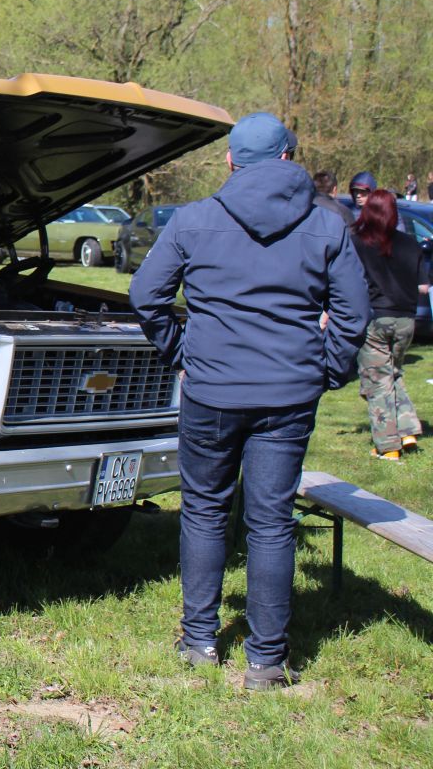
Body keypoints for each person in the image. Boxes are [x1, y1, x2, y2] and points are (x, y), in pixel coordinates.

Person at [130, 112, 369, 692]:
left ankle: (199, 641)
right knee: (270, 523)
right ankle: (265, 662)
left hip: (211, 391)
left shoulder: (194, 220)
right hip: (287, 395)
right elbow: (356, 315)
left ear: (231, 161)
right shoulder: (327, 224)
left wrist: (181, 352)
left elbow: (145, 295)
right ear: (288, 158)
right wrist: (326, 369)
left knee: (206, 511)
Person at [350, 189, 427, 461]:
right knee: (393, 373)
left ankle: (387, 446)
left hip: (376, 319)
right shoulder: (411, 244)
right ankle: (407, 430)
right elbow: (423, 285)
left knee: (377, 382)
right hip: (407, 320)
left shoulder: (358, 243)